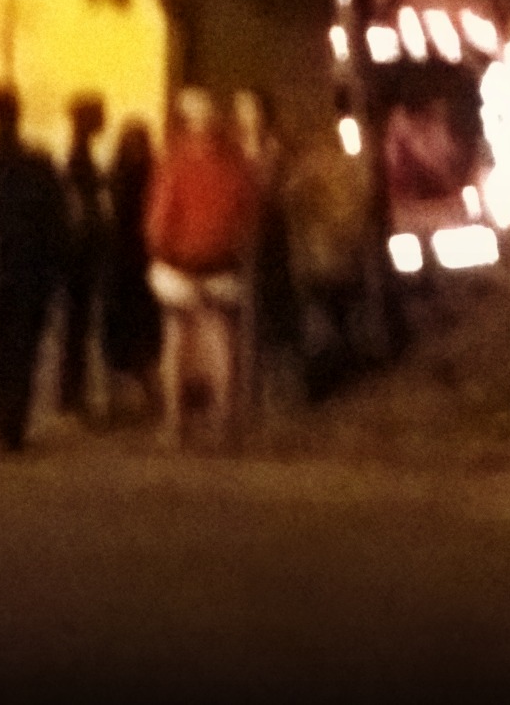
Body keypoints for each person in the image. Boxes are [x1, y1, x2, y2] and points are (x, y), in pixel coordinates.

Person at [144, 87, 258, 451]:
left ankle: (175, 425)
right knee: (220, 340)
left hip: (179, 263)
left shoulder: (175, 160)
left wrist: (158, 249)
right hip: (222, 263)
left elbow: (159, 219)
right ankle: (224, 424)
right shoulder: (235, 161)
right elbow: (249, 213)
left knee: (176, 340)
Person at [0, 85, 66, 454]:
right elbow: (56, 223)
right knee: (24, 351)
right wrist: (55, 271)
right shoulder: (40, 164)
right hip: (31, 273)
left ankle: (3, 423)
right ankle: (15, 421)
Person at [282, 120, 376, 403]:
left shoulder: (310, 173)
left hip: (318, 262)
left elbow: (290, 201)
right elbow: (360, 212)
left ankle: (322, 382)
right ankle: (344, 371)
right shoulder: (347, 170)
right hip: (340, 260)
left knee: (321, 321)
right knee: (338, 318)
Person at [232, 88, 298, 421]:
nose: (247, 115)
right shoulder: (233, 149)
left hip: (272, 239)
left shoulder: (276, 148)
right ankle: (245, 388)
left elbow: (285, 189)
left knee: (273, 310)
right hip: (240, 238)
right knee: (242, 313)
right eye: (241, 108)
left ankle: (276, 387)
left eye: (252, 107)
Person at [98, 118, 161, 424]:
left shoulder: (118, 175)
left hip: (126, 262)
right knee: (136, 335)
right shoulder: (150, 175)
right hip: (135, 263)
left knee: (125, 335)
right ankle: (142, 398)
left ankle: (126, 400)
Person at [55, 93, 110, 421]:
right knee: (77, 324)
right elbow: (80, 205)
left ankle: (69, 391)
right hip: (81, 251)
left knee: (75, 325)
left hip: (78, 249)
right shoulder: (80, 155)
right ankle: (71, 392)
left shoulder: (79, 151)